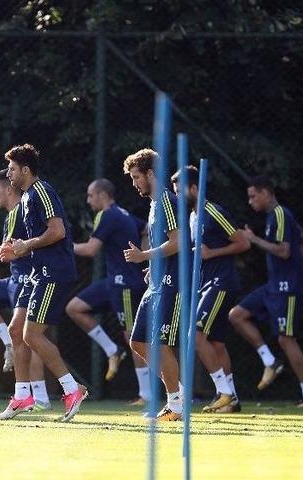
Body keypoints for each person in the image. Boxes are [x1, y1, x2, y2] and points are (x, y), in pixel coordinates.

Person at [0, 144, 87, 422]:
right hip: (37, 273)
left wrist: (28, 245)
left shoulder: (42, 191)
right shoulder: (25, 198)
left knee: (31, 335)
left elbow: (57, 231)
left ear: (25, 169)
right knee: (15, 330)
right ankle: (23, 396)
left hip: (53, 272)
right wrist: (16, 248)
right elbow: (30, 241)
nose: (9, 174)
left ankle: (73, 389)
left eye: (12, 168)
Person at [228, 175, 303, 407]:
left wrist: (253, 239)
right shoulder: (274, 216)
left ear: (266, 192)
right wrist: (296, 262)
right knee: (236, 315)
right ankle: (270, 361)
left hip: (286, 288)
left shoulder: (280, 214)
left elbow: (284, 251)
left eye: (253, 196)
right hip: (273, 286)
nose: (250, 201)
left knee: (286, 339)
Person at [0, 169, 51, 409]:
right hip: (13, 280)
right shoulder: (13, 215)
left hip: (26, 280)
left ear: (8, 189)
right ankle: (7, 340)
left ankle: (40, 397)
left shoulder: (18, 212)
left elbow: (5, 254)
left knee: (30, 338)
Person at [174, 167, 250, 414]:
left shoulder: (214, 212)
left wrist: (212, 253)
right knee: (216, 343)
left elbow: (243, 242)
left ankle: (224, 392)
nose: (177, 197)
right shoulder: (192, 216)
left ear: (195, 188)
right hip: (207, 284)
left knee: (195, 336)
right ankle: (233, 399)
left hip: (221, 282)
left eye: (180, 191)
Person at [68, 178, 150, 403]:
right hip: (113, 282)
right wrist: (143, 255)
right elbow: (146, 228)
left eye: (90, 195)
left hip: (125, 284)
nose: (88, 200)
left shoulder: (109, 215)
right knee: (75, 308)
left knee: (133, 337)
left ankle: (147, 393)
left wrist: (63, 246)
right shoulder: (122, 214)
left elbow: (91, 250)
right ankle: (112, 350)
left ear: (102, 194)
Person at [122, 148, 184, 421]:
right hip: (158, 281)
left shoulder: (167, 200)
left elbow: (179, 242)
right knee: (138, 342)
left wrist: (143, 256)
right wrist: (153, 266)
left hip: (173, 284)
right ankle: (178, 393)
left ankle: (175, 404)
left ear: (150, 173)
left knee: (158, 343)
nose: (135, 184)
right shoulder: (155, 204)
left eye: (136, 177)